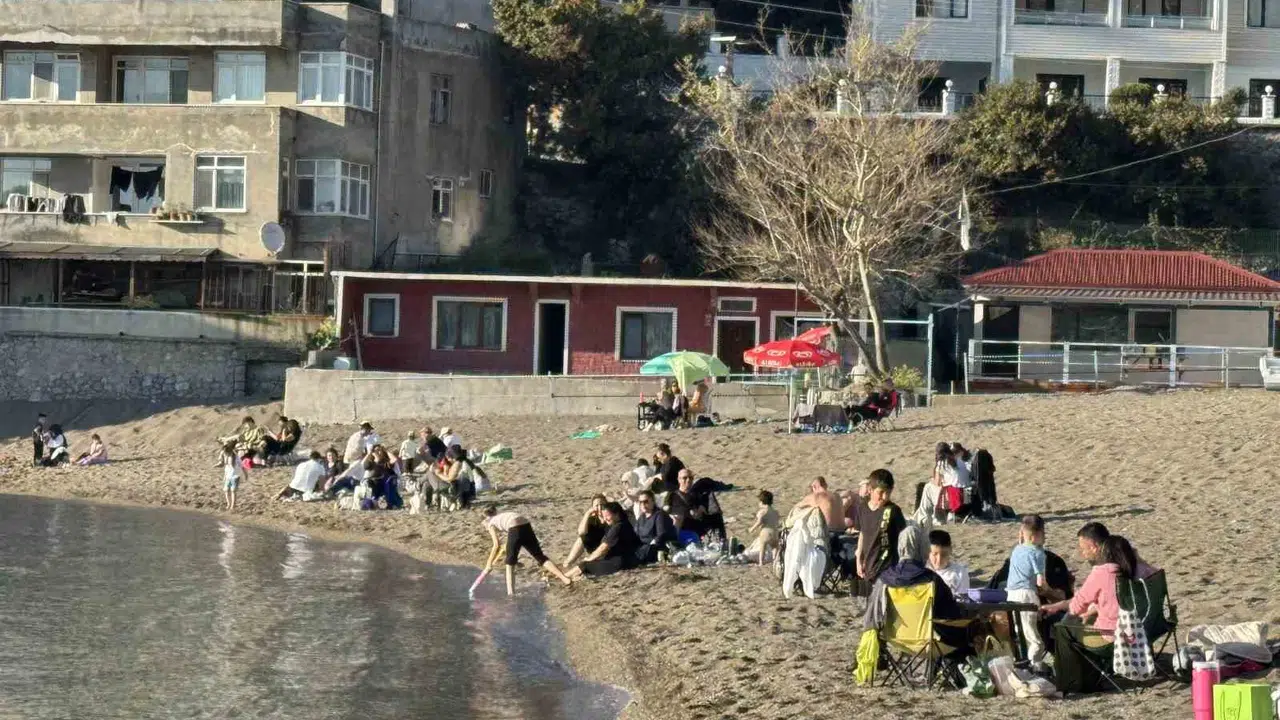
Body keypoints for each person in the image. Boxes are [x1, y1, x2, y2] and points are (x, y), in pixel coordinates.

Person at [1041, 535, 1135, 638]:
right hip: (1136, 632)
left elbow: (1077, 606)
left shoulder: (1103, 572)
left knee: (1057, 625)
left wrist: (1059, 608)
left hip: (1109, 635)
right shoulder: (1134, 571)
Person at [481, 505, 574, 596]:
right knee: (540, 556)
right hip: (526, 525)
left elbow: (496, 545)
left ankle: (511, 594)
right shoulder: (501, 516)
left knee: (509, 563)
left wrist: (488, 564)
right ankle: (565, 579)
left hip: (515, 527)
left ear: (485, 519)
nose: (485, 528)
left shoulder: (490, 524)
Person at [853, 469, 908, 601]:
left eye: (888, 493)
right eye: (881, 492)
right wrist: (858, 557)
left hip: (888, 566)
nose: (884, 497)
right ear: (870, 490)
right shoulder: (862, 508)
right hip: (868, 564)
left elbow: (904, 536)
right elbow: (862, 533)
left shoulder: (893, 511)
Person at [1005, 514, 1049, 668]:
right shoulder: (1039, 554)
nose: (1045, 537)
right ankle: (1032, 665)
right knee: (1035, 640)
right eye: (1043, 533)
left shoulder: (1017, 549)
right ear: (1035, 536)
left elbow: (1022, 538)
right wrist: (1048, 592)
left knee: (1021, 633)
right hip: (1027, 595)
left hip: (1011, 594)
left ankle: (1024, 661)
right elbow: (1040, 582)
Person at [568, 502, 641, 578]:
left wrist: (589, 558)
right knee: (587, 565)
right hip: (625, 560)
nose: (605, 519)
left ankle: (564, 577)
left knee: (584, 565)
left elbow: (603, 548)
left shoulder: (618, 527)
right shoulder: (623, 523)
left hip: (620, 563)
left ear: (616, 514)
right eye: (604, 516)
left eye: (607, 516)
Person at [1076, 522, 1159, 580]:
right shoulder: (1137, 563)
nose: (1082, 553)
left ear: (1094, 547)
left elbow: (1081, 600)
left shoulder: (1104, 572)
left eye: (1083, 549)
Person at [665, 468, 724, 540]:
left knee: (716, 516)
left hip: (698, 528)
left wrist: (701, 509)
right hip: (683, 528)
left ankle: (722, 540)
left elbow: (706, 511)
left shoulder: (698, 495)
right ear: (679, 479)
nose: (688, 480)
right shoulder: (672, 496)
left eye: (690, 478)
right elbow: (665, 513)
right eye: (684, 478)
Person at [562, 495, 609, 567]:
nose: (599, 507)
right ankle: (569, 561)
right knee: (582, 538)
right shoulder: (592, 519)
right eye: (597, 505)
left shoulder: (612, 517)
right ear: (592, 507)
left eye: (602, 504)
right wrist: (587, 514)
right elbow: (581, 532)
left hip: (607, 548)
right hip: (595, 547)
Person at [633, 490, 677, 564]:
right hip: (643, 546)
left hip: (657, 547)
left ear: (653, 501)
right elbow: (636, 534)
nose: (643, 505)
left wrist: (649, 545)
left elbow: (661, 535)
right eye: (641, 502)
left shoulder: (660, 515)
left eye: (646, 501)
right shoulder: (641, 517)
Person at [927, 529, 970, 594]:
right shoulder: (922, 571)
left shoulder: (960, 573)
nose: (939, 560)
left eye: (943, 555)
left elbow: (962, 601)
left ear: (950, 550)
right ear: (928, 552)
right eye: (934, 554)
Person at [745, 490, 781, 564]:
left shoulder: (763, 512)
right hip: (775, 532)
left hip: (766, 532)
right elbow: (777, 520)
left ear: (762, 502)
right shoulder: (775, 512)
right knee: (775, 547)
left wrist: (751, 529)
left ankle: (761, 562)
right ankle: (775, 560)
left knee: (762, 547)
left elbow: (759, 522)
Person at [217, 441, 245, 511]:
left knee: (233, 490)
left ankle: (232, 506)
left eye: (226, 452)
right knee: (226, 490)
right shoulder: (225, 457)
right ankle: (228, 504)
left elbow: (242, 466)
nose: (224, 453)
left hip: (235, 476)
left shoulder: (236, 457)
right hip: (228, 476)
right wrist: (224, 476)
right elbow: (226, 467)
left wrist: (245, 475)